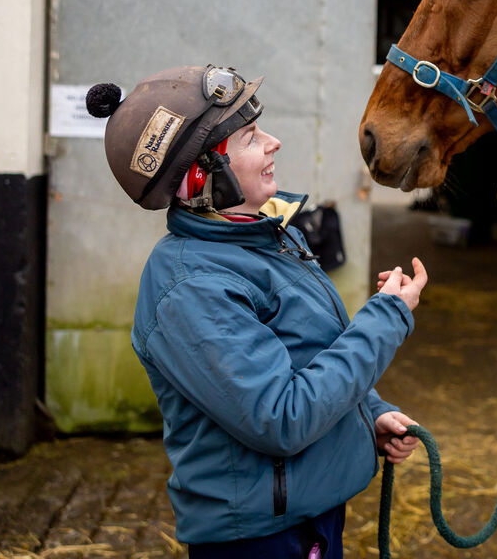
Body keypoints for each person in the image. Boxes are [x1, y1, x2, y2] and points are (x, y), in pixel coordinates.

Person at [85, 64, 424, 558]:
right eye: (249, 138)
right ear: (203, 175)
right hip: (260, 539)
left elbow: (304, 357)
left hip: (308, 518)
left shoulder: (269, 239)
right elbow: (281, 417)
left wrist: (369, 413)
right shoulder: (192, 287)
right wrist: (386, 317)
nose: (273, 142)